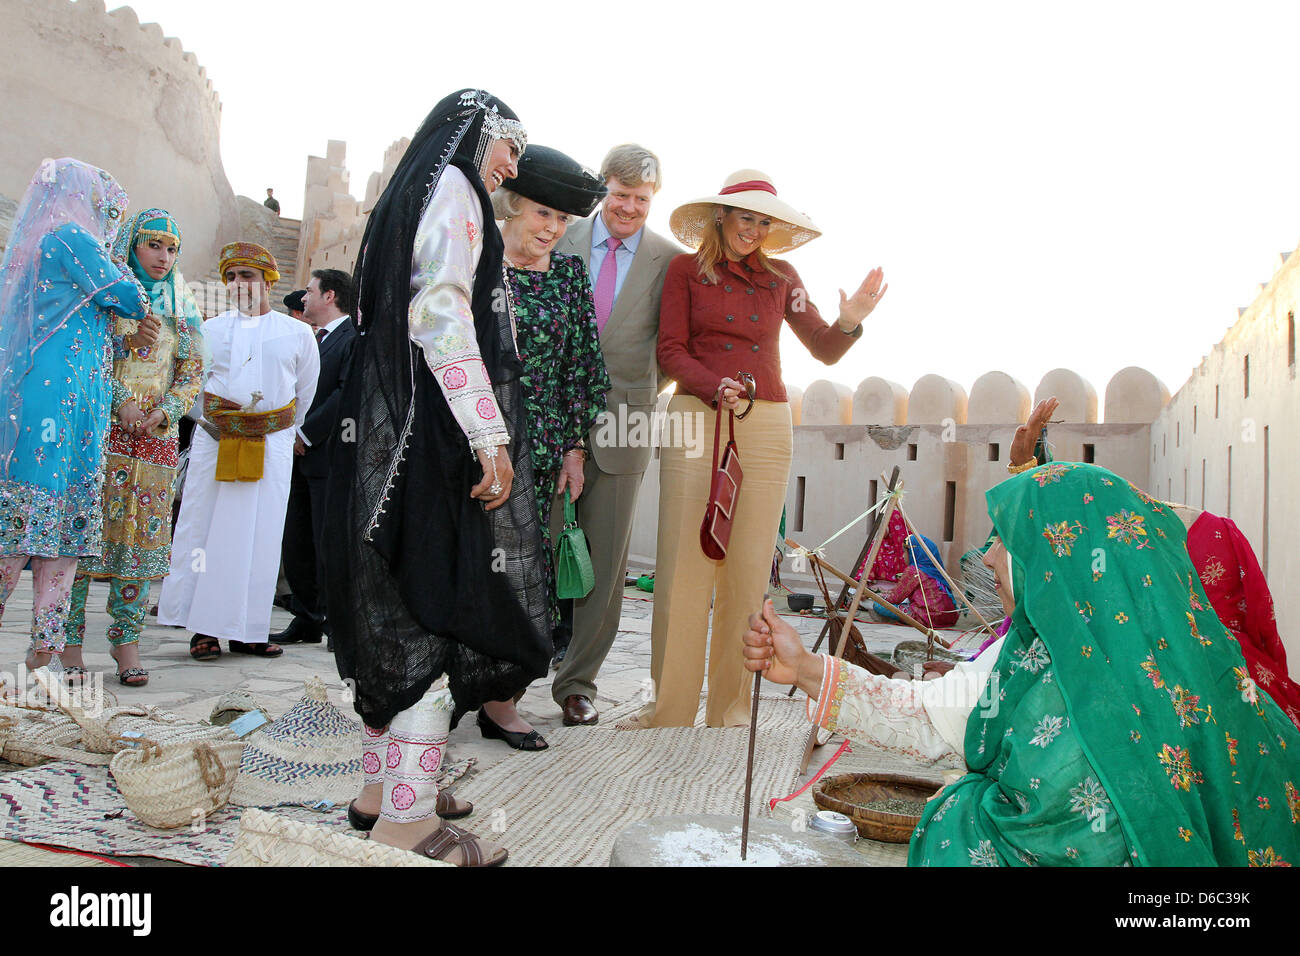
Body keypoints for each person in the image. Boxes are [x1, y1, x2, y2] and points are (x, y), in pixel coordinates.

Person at [745, 462, 1300, 866]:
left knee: (961, 811)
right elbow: (925, 712)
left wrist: (967, 797)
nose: (986, 557)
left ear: (1062, 559)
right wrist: (802, 668)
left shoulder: (1071, 666)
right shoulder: (1205, 670)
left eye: (1006, 542)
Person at [325, 88, 538, 865]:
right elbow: (441, 311)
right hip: (434, 436)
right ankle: (408, 823)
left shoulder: (412, 195)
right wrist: (489, 431)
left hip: (393, 439)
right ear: (475, 133)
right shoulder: (457, 191)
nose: (513, 161)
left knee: (395, 607)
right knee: (436, 612)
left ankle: (379, 791)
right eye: (508, 141)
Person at [633, 169, 886, 728]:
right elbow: (672, 351)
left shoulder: (782, 277)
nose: (754, 228)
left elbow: (823, 348)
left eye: (764, 220)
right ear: (722, 215)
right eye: (745, 216)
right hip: (698, 415)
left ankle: (730, 709)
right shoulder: (683, 271)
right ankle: (669, 707)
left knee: (749, 566)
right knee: (685, 561)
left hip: (767, 421)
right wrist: (709, 384)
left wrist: (849, 321)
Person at [483, 145, 611, 748]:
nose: (551, 229)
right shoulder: (478, 267)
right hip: (477, 446)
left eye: (562, 220)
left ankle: (502, 700)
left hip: (542, 452)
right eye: (541, 213)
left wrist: (574, 450)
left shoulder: (567, 277)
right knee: (473, 569)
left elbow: (582, 365)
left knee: (527, 575)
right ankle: (448, 692)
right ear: (510, 206)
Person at [0, 158, 149, 674]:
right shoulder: (71, 238)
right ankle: (41, 661)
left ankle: (44, 658)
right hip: (61, 399)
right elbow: (130, 296)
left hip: (57, 395)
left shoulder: (35, 244)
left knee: (35, 528)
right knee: (39, 530)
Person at [550, 144, 678, 727]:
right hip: (548, 418)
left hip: (624, 428)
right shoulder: (560, 234)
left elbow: (670, 350)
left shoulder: (670, 261)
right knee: (532, 547)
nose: (629, 208)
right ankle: (506, 668)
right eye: (621, 195)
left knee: (605, 562)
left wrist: (637, 390)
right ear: (603, 187)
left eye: (642, 199)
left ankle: (577, 683)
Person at [62, 209, 206, 686]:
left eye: (171, 248)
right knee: (84, 543)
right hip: (103, 438)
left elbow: (190, 372)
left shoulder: (183, 307)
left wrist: (167, 410)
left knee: (140, 546)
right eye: (153, 245)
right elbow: (90, 357)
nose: (163, 257)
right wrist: (121, 401)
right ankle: (69, 644)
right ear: (131, 246)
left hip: (156, 445)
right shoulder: (107, 301)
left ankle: (126, 645)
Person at [157, 241, 318, 660]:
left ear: (267, 280)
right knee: (206, 533)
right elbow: (189, 385)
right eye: (230, 276)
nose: (237, 284)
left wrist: (273, 429)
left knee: (260, 535)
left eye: (246, 275)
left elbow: (305, 394)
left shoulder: (298, 333)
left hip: (271, 447)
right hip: (216, 443)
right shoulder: (210, 331)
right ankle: (203, 631)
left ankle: (249, 629)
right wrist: (219, 419)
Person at [273, 268, 357, 648]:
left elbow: (345, 394)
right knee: (297, 541)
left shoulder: (353, 338)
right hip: (297, 457)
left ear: (330, 296)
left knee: (329, 543)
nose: (303, 298)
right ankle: (306, 617)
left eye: (309, 292)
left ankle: (337, 624)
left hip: (330, 456)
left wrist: (306, 433)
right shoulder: (309, 340)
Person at [871, 533, 960, 629]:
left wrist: (877, 596)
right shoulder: (937, 570)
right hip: (949, 617)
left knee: (879, 605)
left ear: (913, 552)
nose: (902, 556)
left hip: (927, 617)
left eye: (905, 552)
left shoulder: (914, 571)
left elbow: (895, 598)